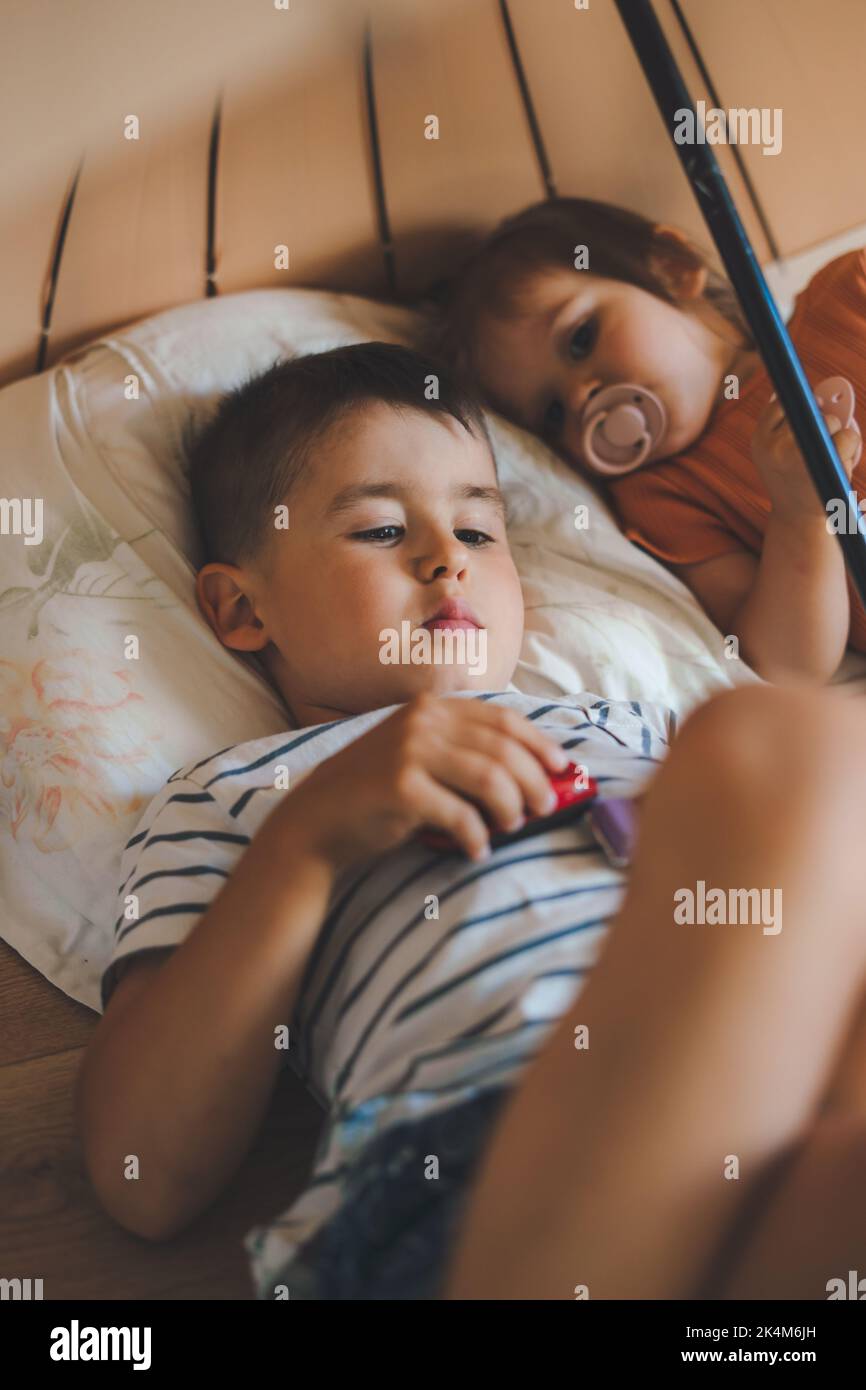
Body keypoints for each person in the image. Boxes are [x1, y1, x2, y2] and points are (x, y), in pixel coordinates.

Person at [76, 342, 866, 1300]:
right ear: (242, 607)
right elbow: (141, 1178)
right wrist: (312, 838)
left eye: (479, 532)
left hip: (760, 1138)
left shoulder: (626, 723)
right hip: (484, 1169)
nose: (445, 555)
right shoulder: (242, 794)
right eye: (376, 530)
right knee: (781, 751)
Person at [424, 197, 865, 685]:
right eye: (552, 413)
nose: (580, 397)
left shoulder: (847, 294)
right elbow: (787, 666)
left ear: (671, 270)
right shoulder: (664, 498)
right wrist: (801, 517)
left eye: (580, 339)